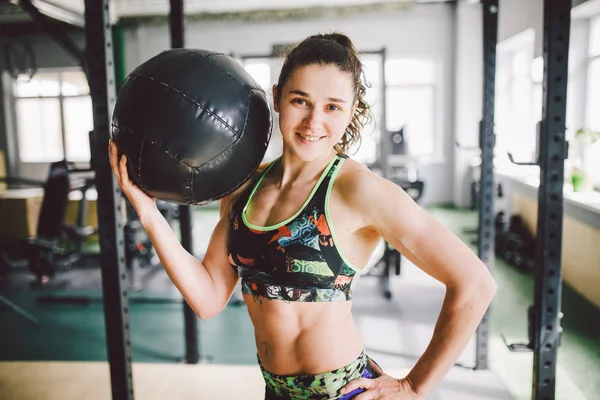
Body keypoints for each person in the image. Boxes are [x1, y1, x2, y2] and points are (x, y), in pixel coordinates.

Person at [109, 32, 496, 400]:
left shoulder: (357, 189)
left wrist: (415, 386)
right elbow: (208, 299)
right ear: (276, 98)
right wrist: (148, 212)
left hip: (342, 392)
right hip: (276, 391)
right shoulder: (244, 187)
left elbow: (475, 283)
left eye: (332, 107)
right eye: (300, 101)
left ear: (351, 112)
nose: (314, 122)